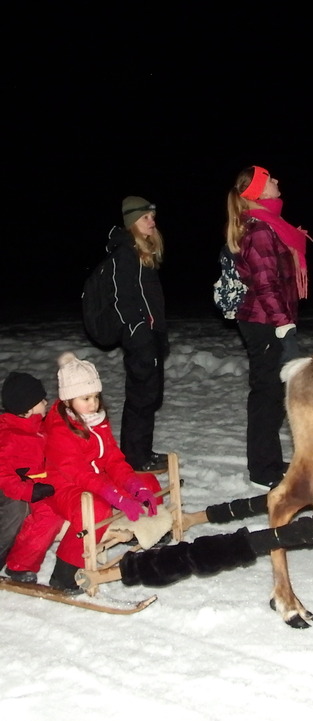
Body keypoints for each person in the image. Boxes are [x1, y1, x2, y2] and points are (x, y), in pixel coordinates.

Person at [34, 352, 163, 593]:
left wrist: (133, 486)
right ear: (68, 399)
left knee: (148, 482)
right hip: (64, 486)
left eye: (95, 396)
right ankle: (65, 571)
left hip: (94, 480)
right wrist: (114, 495)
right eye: (86, 398)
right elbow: (79, 474)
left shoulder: (96, 420)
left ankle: (141, 531)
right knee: (96, 509)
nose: (93, 403)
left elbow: (113, 459)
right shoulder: (60, 429)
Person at [225, 165, 310, 489]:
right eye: (271, 179)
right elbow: (265, 282)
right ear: (259, 191)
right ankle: (263, 470)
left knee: (273, 393)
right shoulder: (259, 228)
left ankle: (270, 461)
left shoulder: (269, 225)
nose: (277, 181)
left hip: (268, 319)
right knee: (266, 395)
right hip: (265, 322)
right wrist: (282, 324)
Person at [104, 196, 169, 472]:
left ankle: (142, 451)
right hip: (139, 337)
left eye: (152, 216)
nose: (152, 221)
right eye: (145, 217)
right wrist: (139, 332)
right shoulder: (125, 253)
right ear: (132, 222)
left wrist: (159, 335)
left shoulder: (143, 252)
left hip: (151, 335)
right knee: (140, 398)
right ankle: (134, 457)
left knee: (150, 396)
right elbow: (122, 299)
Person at [0, 372, 62, 577]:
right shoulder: (10, 437)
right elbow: (3, 475)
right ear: (27, 410)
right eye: (41, 400)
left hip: (45, 484)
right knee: (48, 516)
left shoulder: (36, 426)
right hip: (24, 492)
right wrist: (29, 491)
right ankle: (20, 565)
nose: (46, 401)